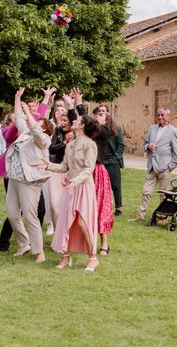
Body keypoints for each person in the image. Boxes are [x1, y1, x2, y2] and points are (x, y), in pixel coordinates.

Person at [0, 87, 54, 250]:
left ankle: (36, 248)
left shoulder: (43, 138)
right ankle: (20, 242)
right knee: (14, 214)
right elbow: (21, 119)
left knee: (33, 213)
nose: (36, 119)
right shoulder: (21, 131)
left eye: (39, 122)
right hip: (14, 177)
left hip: (30, 180)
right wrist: (17, 98)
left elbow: (36, 125)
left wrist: (41, 102)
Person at [43, 113, 101, 272]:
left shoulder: (90, 144)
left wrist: (75, 181)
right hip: (71, 187)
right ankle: (65, 256)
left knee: (83, 223)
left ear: (82, 125)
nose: (73, 121)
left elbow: (89, 168)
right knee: (65, 221)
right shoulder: (70, 144)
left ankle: (93, 258)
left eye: (76, 120)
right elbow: (64, 167)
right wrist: (47, 165)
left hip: (83, 187)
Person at [69, 90, 113, 257]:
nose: (100, 114)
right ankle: (83, 240)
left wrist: (79, 103)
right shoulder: (87, 133)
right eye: (98, 112)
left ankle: (104, 243)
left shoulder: (104, 133)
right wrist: (72, 105)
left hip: (97, 173)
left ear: (107, 120)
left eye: (103, 113)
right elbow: (80, 122)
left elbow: (86, 120)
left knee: (101, 207)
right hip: (83, 173)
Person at [129, 108, 177, 222]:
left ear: (168, 117)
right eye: (158, 115)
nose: (160, 117)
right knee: (146, 191)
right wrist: (148, 147)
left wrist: (170, 167)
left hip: (165, 168)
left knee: (164, 194)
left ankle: (163, 217)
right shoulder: (152, 129)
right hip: (152, 166)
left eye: (162, 115)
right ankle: (140, 215)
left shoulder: (174, 131)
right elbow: (145, 144)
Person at [104, 113, 125, 217]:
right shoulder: (98, 130)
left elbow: (121, 145)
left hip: (112, 162)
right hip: (101, 162)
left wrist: (115, 159)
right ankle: (104, 207)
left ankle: (118, 208)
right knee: (102, 186)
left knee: (116, 185)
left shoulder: (116, 129)